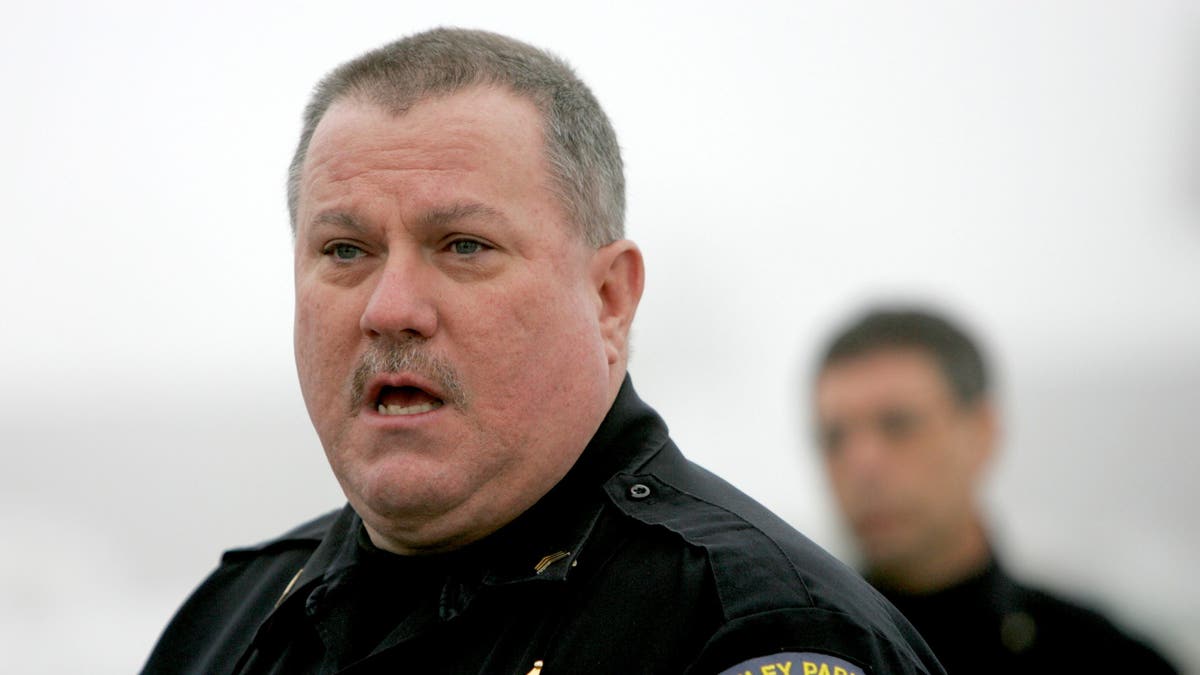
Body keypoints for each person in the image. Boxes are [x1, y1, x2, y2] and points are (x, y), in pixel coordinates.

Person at [142, 28, 945, 675]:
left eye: (462, 245)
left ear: (608, 299)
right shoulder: (229, 619)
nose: (391, 309)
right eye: (346, 251)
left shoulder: (754, 630)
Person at [810, 307, 1178, 674]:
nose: (862, 465)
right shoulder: (788, 654)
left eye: (898, 425)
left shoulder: (1107, 658)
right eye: (834, 438)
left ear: (983, 431)